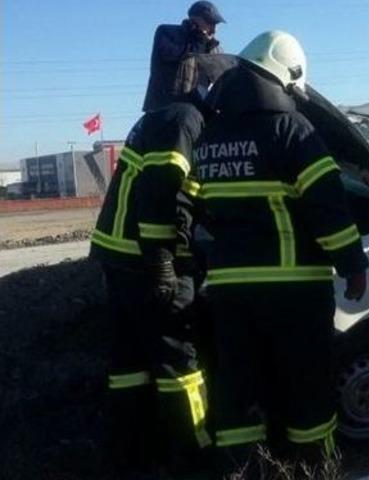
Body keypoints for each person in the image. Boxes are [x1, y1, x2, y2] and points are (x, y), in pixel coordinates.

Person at [195, 31, 369, 475]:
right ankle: (315, 469)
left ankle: (242, 468)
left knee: (238, 388)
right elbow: (327, 209)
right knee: (308, 387)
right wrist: (353, 263)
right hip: (293, 288)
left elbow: (203, 210)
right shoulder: (291, 130)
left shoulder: (210, 136)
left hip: (229, 290)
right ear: (286, 79)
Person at [90, 95, 212, 474]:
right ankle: (195, 449)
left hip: (120, 255)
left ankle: (132, 448)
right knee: (180, 361)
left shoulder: (166, 116)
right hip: (148, 261)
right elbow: (161, 189)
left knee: (130, 361)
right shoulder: (186, 119)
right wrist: (163, 263)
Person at [142, 1, 225, 112]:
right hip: (164, 109)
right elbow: (171, 54)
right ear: (195, 19)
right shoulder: (167, 32)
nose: (213, 29)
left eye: (215, 25)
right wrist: (198, 38)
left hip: (196, 113)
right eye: (210, 23)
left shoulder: (215, 48)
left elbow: (222, 81)